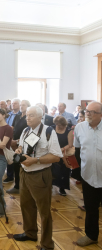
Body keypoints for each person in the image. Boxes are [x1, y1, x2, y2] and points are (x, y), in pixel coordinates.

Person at [13, 106, 63, 250]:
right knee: (26, 205)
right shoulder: (26, 130)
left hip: (40, 175)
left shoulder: (48, 131)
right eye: (27, 115)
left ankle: (47, 244)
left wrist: (36, 160)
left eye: (32, 115)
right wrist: (19, 150)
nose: (28, 118)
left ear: (41, 117)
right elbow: (22, 147)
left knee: (44, 211)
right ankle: (30, 233)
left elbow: (56, 157)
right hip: (24, 173)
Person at [74, 101, 102, 247]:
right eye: (87, 111)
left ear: (101, 115)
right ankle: (91, 235)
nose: (88, 114)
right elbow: (77, 150)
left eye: (92, 112)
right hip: (88, 175)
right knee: (91, 208)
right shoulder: (79, 127)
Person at [6, 99, 30, 194]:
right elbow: (12, 128)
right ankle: (17, 185)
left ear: (28, 106)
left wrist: (17, 141)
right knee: (16, 164)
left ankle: (24, 186)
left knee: (23, 165)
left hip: (24, 143)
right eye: (21, 105)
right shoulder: (18, 116)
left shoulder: (28, 118)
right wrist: (10, 139)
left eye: (23, 105)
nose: (21, 106)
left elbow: (29, 133)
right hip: (14, 143)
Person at [52, 116, 73, 196]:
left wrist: (61, 149)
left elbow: (70, 145)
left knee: (63, 171)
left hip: (64, 153)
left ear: (64, 124)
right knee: (53, 170)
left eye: (60, 125)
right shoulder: (52, 128)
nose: (58, 126)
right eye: (56, 124)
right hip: (53, 152)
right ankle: (51, 184)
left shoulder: (68, 131)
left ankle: (62, 188)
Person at [4, 98, 21, 184]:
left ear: (19, 105)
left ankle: (17, 179)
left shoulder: (21, 115)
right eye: (12, 103)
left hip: (16, 139)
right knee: (9, 157)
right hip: (8, 137)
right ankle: (10, 176)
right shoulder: (9, 114)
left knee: (16, 158)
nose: (13, 105)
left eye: (15, 103)